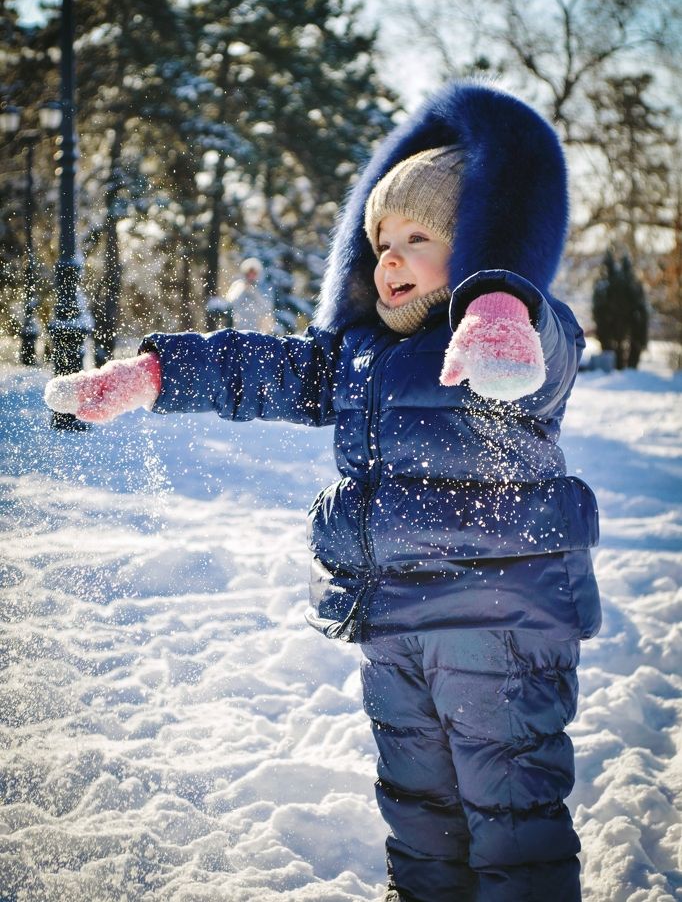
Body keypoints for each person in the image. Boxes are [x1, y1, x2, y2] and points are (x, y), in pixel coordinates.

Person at [44, 79, 601, 902]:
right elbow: (257, 369)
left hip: (502, 629)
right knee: (418, 812)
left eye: (420, 235)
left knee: (513, 817)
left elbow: (548, 348)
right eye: (380, 241)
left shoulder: (507, 346)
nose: (391, 257)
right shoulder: (360, 358)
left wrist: (501, 307)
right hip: (394, 627)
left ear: (479, 239)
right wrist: (154, 374)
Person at [224, 256, 275, 333]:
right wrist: (243, 290)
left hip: (258, 328)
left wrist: (254, 293)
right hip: (238, 327)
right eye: (249, 273)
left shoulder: (264, 287)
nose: (251, 276)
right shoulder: (238, 285)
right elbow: (230, 303)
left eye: (253, 273)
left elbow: (267, 307)